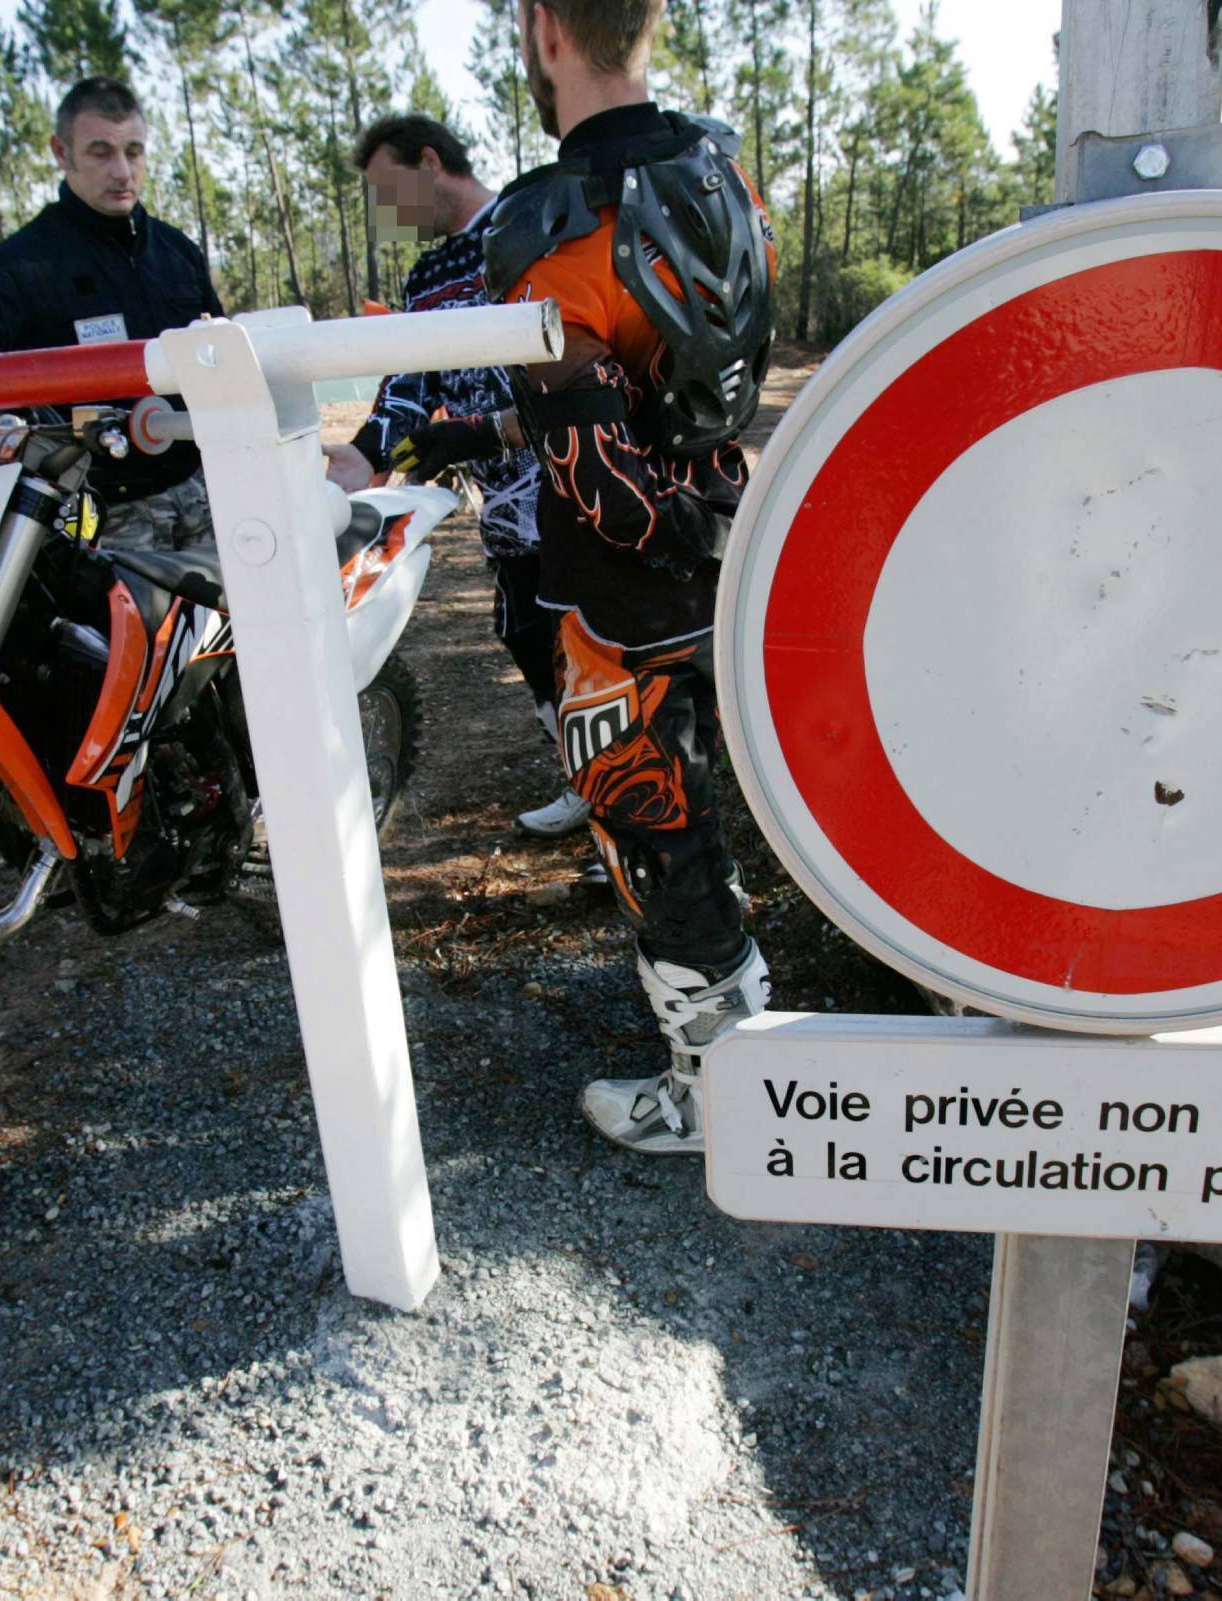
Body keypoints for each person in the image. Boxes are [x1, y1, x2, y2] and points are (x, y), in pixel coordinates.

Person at [406, 0, 777, 1153]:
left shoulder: (549, 228)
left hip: (625, 582)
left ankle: (720, 1100)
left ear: (543, 27)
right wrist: (466, 438)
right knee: (721, 799)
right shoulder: (729, 174)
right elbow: (666, 397)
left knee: (651, 815)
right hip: (741, 522)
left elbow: (598, 461)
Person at [328, 113, 592, 845]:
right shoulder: (430, 275)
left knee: (595, 640)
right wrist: (363, 455)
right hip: (504, 509)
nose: (386, 214)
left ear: (431, 161)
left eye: (390, 190)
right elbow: (408, 384)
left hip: (582, 484)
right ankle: (585, 781)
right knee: (526, 634)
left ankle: (627, 817)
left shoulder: (539, 223)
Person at [0, 77, 224, 556]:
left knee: (229, 632)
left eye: (134, 151)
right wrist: (23, 442)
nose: (122, 171)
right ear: (62, 154)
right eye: (101, 153)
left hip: (204, 502)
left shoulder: (176, 253)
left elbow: (221, 363)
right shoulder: (22, 266)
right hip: (98, 521)